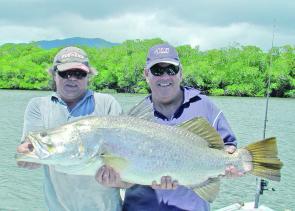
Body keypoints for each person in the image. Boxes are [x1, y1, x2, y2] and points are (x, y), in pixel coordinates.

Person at [122, 43, 241, 211]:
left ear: (181, 73)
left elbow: (229, 146)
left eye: (171, 70)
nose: (165, 77)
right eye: (157, 70)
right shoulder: (135, 118)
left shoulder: (205, 107)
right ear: (146, 74)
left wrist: (230, 163)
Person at [16, 46, 125, 211]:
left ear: (89, 76)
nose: (72, 79)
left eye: (79, 74)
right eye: (65, 73)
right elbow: (28, 149)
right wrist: (26, 156)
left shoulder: (107, 103)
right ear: (53, 74)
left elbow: (122, 154)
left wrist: (117, 177)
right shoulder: (38, 106)